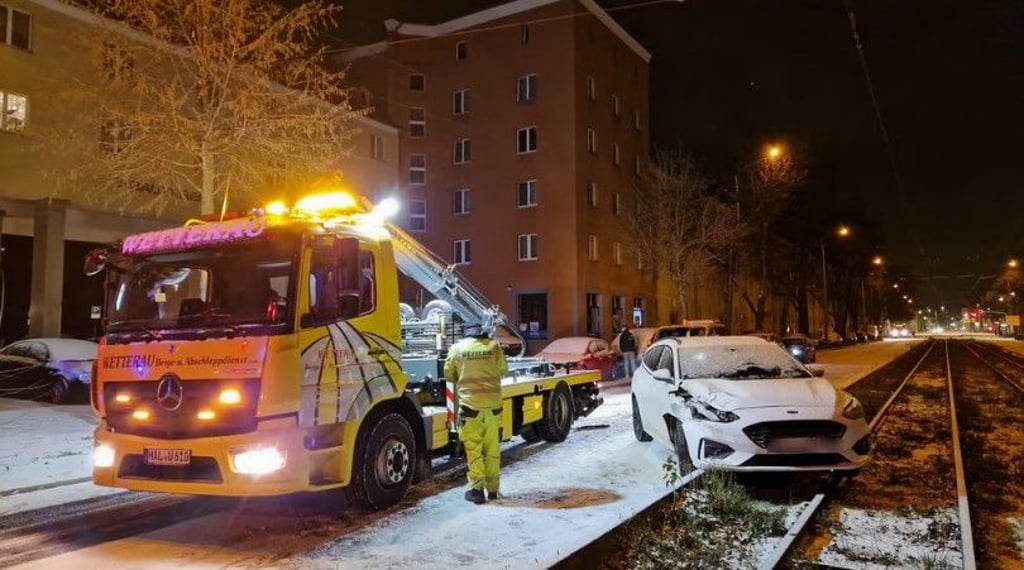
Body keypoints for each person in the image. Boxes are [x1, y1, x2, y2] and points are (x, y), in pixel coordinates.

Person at [444, 323, 509, 504]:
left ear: (467, 335)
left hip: (470, 410)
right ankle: (494, 490)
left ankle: (477, 490)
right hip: (493, 410)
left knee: (474, 451)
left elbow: (449, 375)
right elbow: (504, 369)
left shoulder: (457, 348)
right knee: (492, 450)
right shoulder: (494, 346)